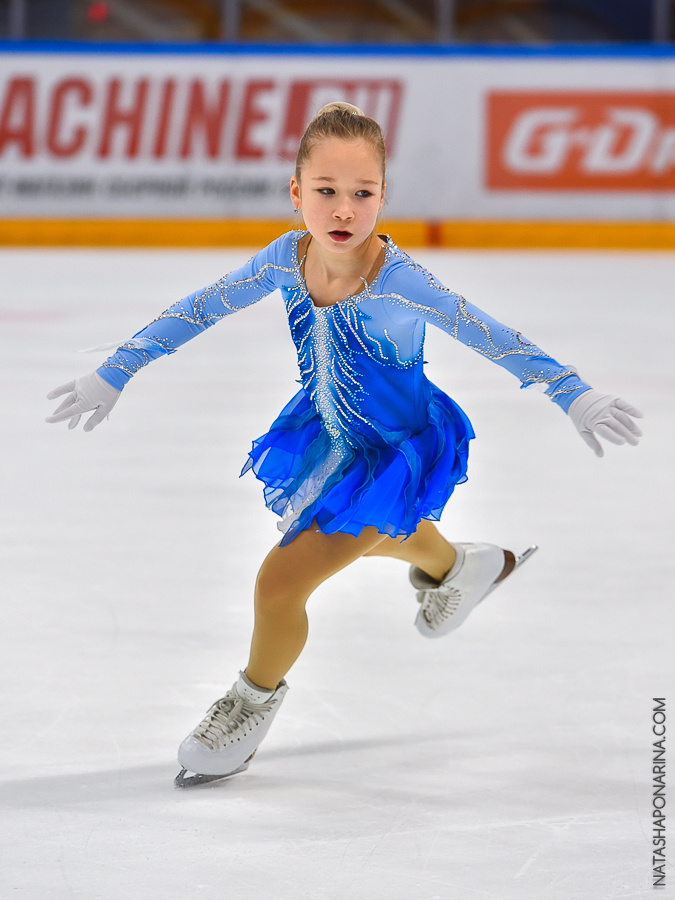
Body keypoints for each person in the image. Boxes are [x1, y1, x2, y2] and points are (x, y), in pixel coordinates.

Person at [46, 102, 643, 787]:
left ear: (382, 199)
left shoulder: (399, 280)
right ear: (296, 193)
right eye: (325, 191)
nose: (342, 209)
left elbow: (483, 329)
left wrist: (571, 391)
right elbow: (199, 307)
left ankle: (249, 702)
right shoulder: (283, 260)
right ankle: (457, 567)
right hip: (328, 432)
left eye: (361, 193)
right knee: (357, 535)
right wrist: (115, 369)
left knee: (279, 583)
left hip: (394, 452)